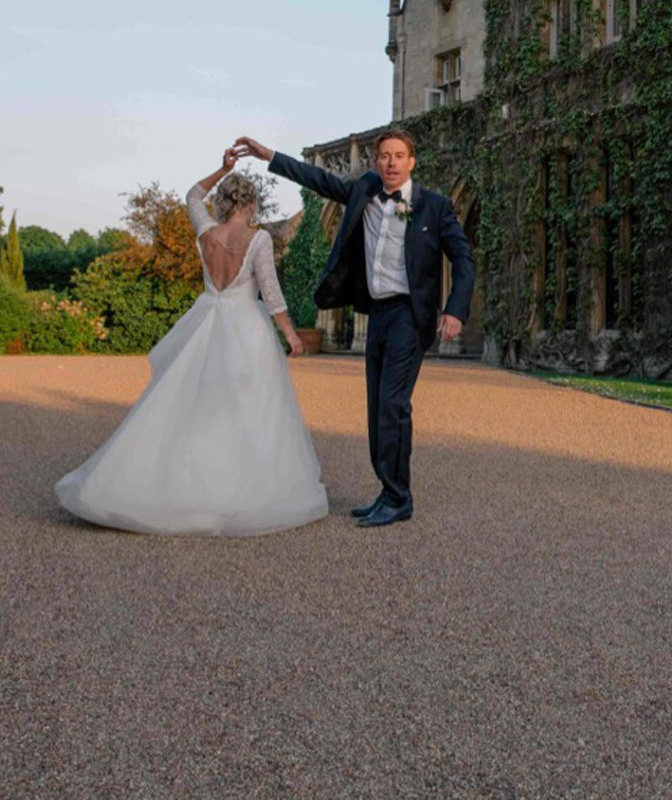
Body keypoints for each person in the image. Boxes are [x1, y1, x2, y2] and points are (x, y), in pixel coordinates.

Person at [54, 147, 328, 536]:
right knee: (249, 406)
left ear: (223, 202)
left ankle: (176, 482)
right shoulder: (259, 240)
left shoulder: (206, 232)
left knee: (194, 401)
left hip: (207, 322)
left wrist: (221, 168)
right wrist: (290, 334)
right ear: (251, 203)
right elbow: (271, 292)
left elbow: (192, 195)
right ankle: (236, 488)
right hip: (246, 327)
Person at [236, 129, 475, 528]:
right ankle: (388, 490)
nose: (392, 162)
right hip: (376, 312)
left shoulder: (435, 206)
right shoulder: (365, 191)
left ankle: (398, 498)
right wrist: (270, 156)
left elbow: (464, 260)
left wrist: (455, 310)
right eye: (385, 156)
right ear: (376, 162)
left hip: (409, 315)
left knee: (393, 405)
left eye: (399, 155)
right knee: (377, 407)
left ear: (412, 162)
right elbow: (319, 179)